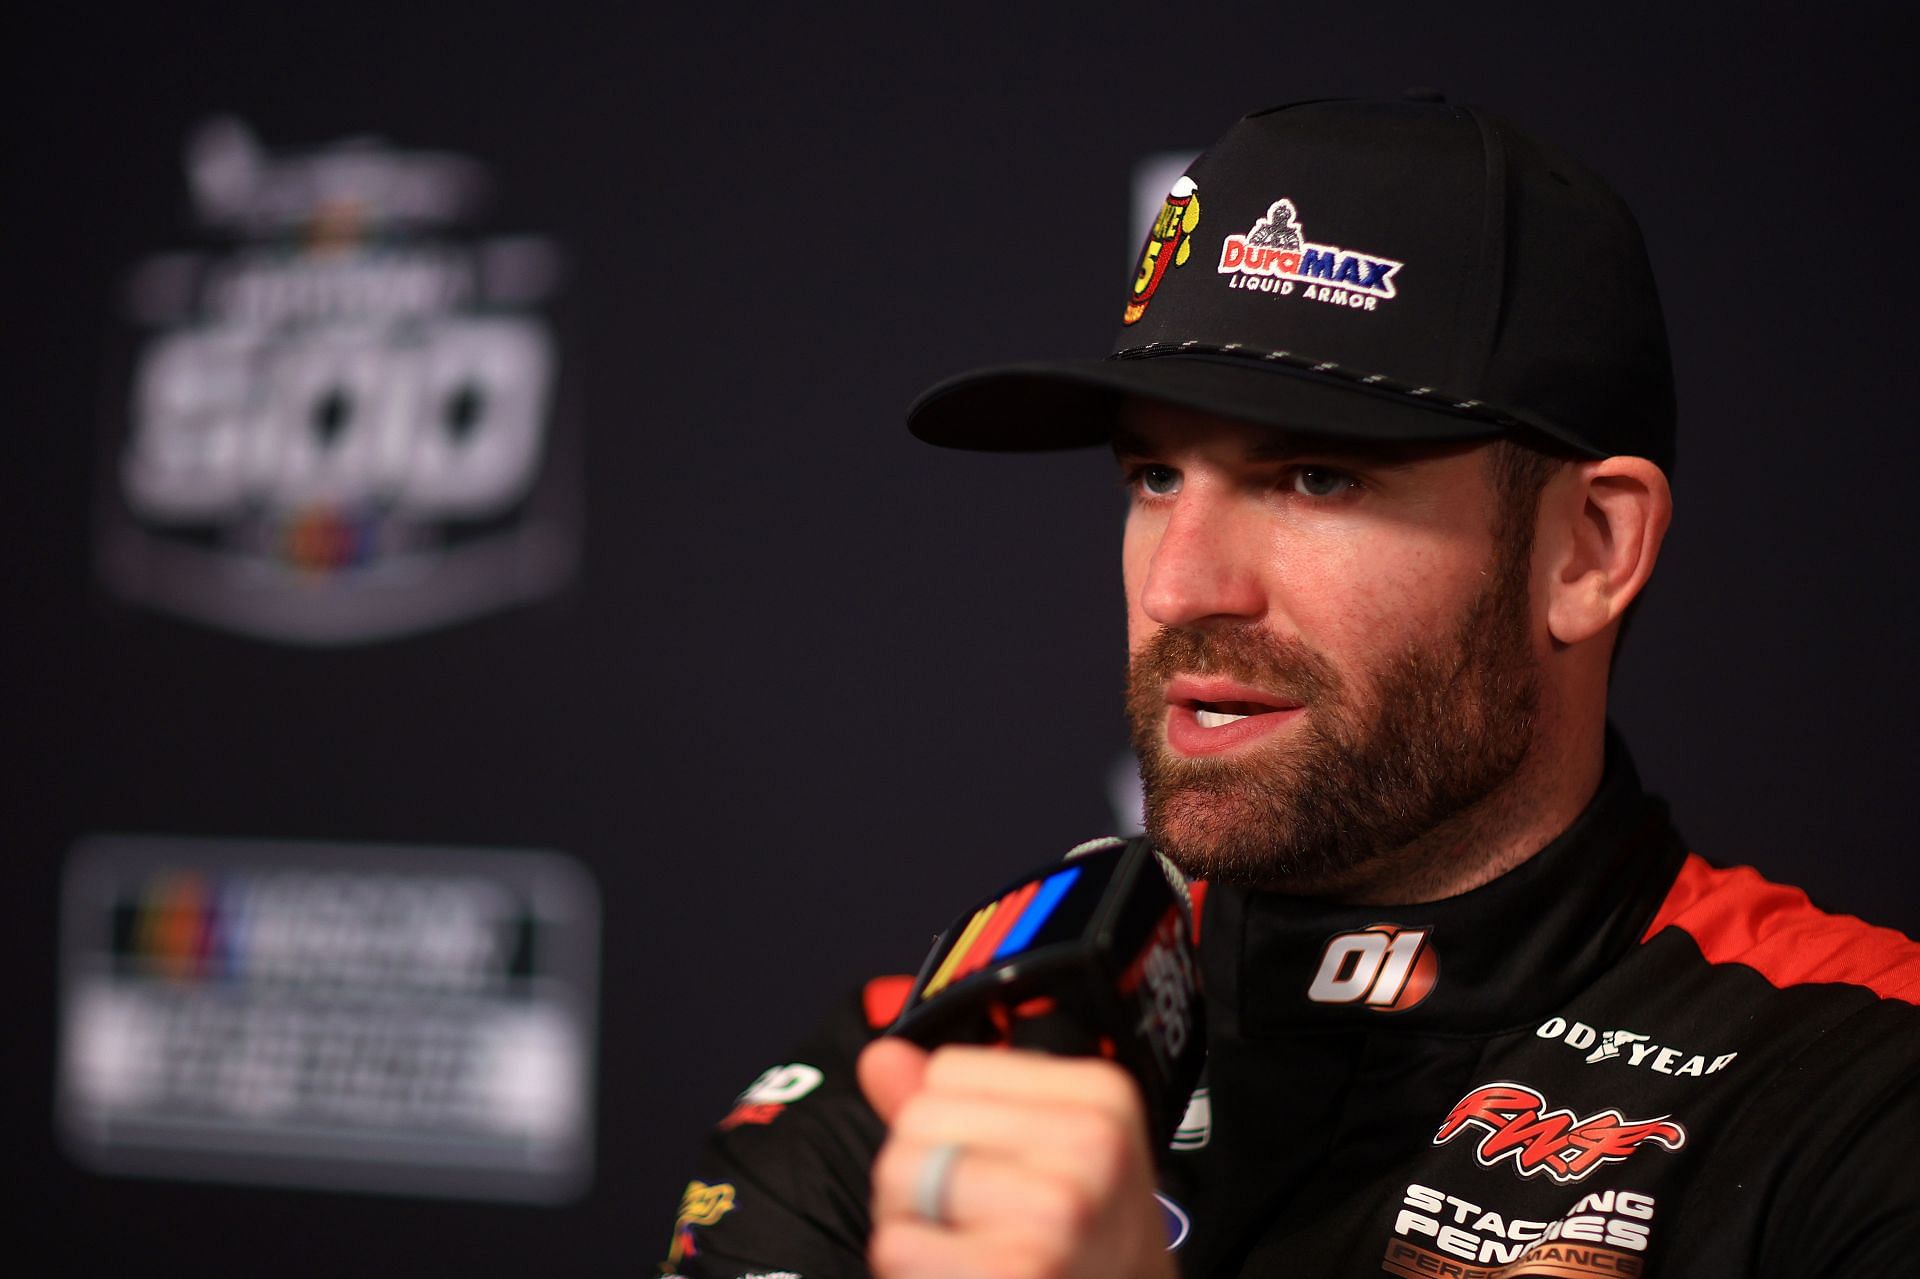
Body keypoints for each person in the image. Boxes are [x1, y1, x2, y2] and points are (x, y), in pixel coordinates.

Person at [662, 93, 1920, 1279]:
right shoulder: (926, 1076)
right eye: (1153, 477)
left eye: (1316, 478)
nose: (1181, 587)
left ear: (1588, 550)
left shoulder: (1858, 1094)